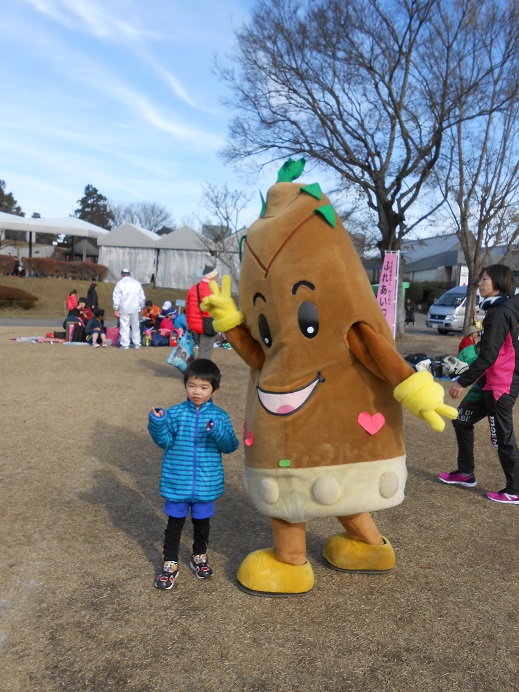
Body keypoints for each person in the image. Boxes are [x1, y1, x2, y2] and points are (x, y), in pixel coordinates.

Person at [148, 359, 239, 590]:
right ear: (185, 385)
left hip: (206, 484)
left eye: (204, 387)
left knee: (202, 524)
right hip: (177, 481)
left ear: (214, 390)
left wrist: (217, 431)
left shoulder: (220, 417)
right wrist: (158, 423)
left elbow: (230, 446)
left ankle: (199, 555)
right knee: (174, 524)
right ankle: (170, 562)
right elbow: (164, 441)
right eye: (192, 385)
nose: (196, 392)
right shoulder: (175, 414)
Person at [439, 264, 519, 504]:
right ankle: (465, 473)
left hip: (500, 386)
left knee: (502, 438)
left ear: (497, 283)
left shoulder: (502, 311)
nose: (480, 283)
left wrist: (461, 382)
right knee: (461, 419)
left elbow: (489, 356)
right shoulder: (498, 309)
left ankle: (514, 490)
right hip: (488, 381)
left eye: (484, 279)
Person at [185, 265, 218, 360]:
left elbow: (188, 308)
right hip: (207, 327)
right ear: (213, 276)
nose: (217, 277)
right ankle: (198, 373)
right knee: (204, 355)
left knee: (203, 349)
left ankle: (197, 370)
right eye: (216, 275)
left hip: (195, 326)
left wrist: (189, 324)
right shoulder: (215, 290)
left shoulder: (193, 288)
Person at [112, 268, 146, 350]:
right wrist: (141, 306)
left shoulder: (120, 284)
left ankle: (125, 344)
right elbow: (142, 297)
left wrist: (116, 308)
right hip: (135, 308)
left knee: (124, 326)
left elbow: (116, 297)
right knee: (135, 326)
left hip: (124, 308)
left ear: (122, 274)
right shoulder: (136, 283)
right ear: (129, 273)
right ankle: (137, 343)